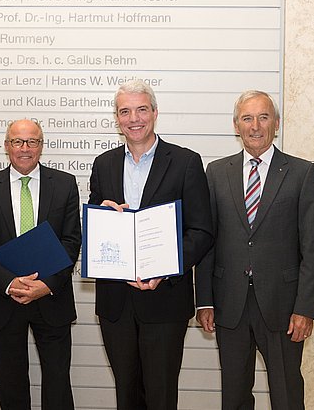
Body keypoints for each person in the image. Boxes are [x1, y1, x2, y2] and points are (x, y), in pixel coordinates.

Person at [195, 90, 314, 409]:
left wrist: (306, 308)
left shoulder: (302, 172)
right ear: (236, 125)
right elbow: (208, 242)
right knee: (234, 394)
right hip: (229, 304)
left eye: (263, 117)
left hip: (283, 307)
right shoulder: (216, 172)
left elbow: (312, 248)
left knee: (287, 393)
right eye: (247, 118)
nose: (255, 125)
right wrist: (205, 301)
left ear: (276, 124)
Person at [88, 80, 213, 410]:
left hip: (165, 299)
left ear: (155, 113)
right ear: (117, 118)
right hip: (116, 303)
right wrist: (101, 216)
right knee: (126, 394)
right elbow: (92, 228)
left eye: (141, 109)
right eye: (125, 111)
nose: (134, 118)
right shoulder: (104, 163)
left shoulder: (186, 161)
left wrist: (164, 269)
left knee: (160, 395)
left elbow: (201, 231)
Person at [0, 119, 81, 410]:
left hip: (52, 297)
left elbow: (72, 241)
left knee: (58, 383)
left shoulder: (64, 184)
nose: (25, 149)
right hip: (4, 298)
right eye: (17, 142)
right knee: (10, 385)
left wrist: (45, 285)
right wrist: (10, 284)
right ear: (6, 146)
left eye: (32, 141)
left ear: (41, 145)